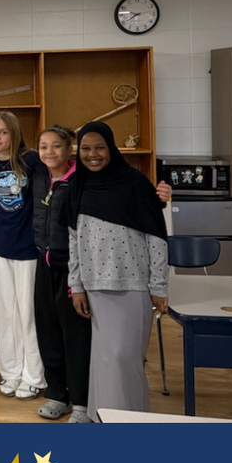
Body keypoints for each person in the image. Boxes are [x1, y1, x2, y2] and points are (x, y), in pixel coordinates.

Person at [65, 121, 169, 422]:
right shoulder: (77, 186)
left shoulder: (135, 183)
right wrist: (76, 285)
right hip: (94, 286)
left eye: (100, 147)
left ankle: (131, 420)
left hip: (133, 285)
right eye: (85, 148)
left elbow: (157, 237)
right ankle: (102, 418)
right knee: (104, 359)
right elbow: (73, 241)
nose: (93, 154)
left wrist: (159, 286)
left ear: (111, 148)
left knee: (125, 358)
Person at [32, 126, 94, 423]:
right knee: (48, 332)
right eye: (43, 146)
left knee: (76, 337)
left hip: (73, 269)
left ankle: (82, 402)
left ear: (70, 149)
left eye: (56, 146)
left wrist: (159, 197)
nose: (49, 152)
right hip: (44, 265)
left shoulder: (82, 180)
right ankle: (57, 394)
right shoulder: (39, 178)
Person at [0, 111, 44, 400]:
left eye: (3, 131)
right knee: (4, 313)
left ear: (14, 134)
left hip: (28, 249)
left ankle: (34, 376)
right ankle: (10, 372)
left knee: (28, 314)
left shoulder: (31, 160)